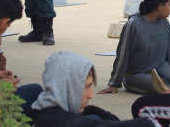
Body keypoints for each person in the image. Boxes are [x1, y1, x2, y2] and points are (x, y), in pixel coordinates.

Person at [98, 0, 170, 95]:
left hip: (160, 67)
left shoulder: (165, 23)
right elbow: (122, 55)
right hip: (136, 74)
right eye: (169, 4)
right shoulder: (133, 24)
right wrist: (114, 84)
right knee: (166, 89)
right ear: (159, 6)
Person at [27, 51, 155, 127]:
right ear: (67, 87)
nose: (90, 95)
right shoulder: (52, 121)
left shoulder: (45, 107)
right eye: (86, 87)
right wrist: (147, 123)